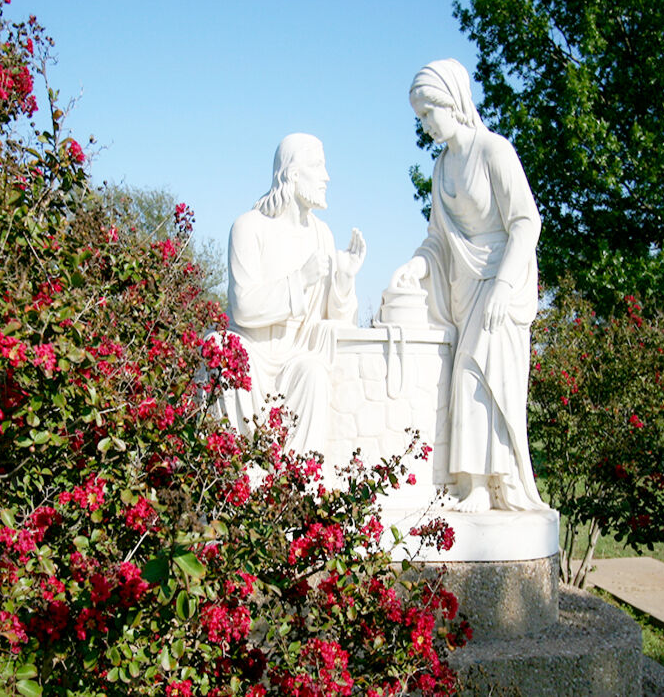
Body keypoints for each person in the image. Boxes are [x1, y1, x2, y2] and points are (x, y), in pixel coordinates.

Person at [391, 59, 548, 512]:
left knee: (480, 376)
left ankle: (490, 483)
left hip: (503, 284)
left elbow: (525, 222)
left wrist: (503, 285)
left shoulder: (495, 151)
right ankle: (474, 484)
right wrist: (415, 268)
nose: (425, 125)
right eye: (419, 117)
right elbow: (437, 239)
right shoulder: (441, 169)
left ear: (453, 102)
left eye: (428, 113)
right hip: (465, 284)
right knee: (463, 379)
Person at [222, 133, 366, 455]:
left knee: (313, 371)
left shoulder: (322, 235)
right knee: (221, 349)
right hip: (253, 351)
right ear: (293, 173)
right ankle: (238, 472)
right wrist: (299, 279)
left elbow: (335, 320)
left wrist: (344, 279)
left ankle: (296, 483)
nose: (327, 177)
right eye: (319, 166)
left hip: (297, 354)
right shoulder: (248, 227)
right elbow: (243, 306)